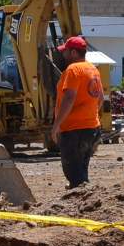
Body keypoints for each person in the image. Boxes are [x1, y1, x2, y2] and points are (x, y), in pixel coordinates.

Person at [50, 36, 103, 189]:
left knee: (72, 170)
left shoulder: (73, 70)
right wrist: (90, 115)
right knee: (81, 168)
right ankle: (83, 192)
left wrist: (56, 126)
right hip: (92, 128)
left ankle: (81, 195)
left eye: (65, 51)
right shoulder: (93, 69)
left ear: (73, 52)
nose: (63, 54)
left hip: (73, 130)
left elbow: (69, 98)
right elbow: (100, 98)